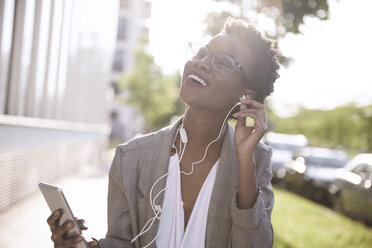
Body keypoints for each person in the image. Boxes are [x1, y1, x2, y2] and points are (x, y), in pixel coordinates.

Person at [47, 17, 280, 248]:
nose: (202, 63)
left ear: (246, 96)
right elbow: (123, 242)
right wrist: (89, 246)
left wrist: (244, 160)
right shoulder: (129, 158)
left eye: (223, 63)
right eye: (201, 54)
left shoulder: (255, 162)